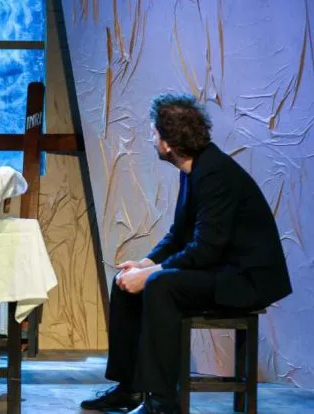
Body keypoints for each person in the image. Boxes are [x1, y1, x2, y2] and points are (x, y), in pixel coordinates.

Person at [81, 94, 293, 414]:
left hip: (245, 279)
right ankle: (130, 388)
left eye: (154, 133)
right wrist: (144, 264)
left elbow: (206, 249)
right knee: (126, 282)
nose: (152, 140)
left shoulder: (215, 173)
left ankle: (162, 402)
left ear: (168, 143)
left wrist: (150, 275)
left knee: (160, 285)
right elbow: (178, 234)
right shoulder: (194, 170)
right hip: (221, 269)